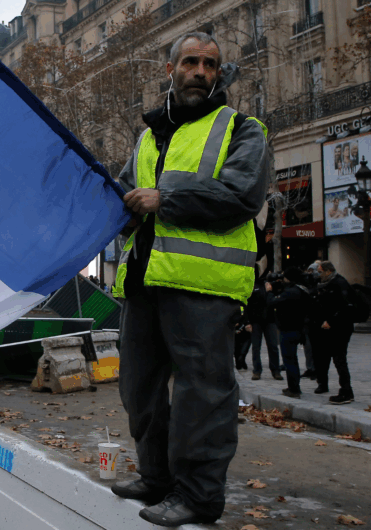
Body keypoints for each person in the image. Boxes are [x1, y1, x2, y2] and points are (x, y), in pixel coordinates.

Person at [108, 33, 270, 526]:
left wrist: (164, 198)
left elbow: (241, 196)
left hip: (205, 287)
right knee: (139, 390)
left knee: (204, 395)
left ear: (218, 73)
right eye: (191, 62)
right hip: (145, 282)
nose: (200, 70)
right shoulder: (146, 137)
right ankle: (157, 478)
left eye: (210, 64)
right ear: (170, 69)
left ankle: (197, 496)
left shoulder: (243, 129)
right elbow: (122, 196)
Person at [309, 261, 356, 404]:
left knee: (339, 359)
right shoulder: (323, 284)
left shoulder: (339, 283)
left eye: (320, 271)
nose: (318, 274)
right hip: (325, 328)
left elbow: (346, 307)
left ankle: (346, 391)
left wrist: (331, 321)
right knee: (322, 357)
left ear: (328, 271)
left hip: (340, 328)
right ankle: (322, 383)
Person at [266, 268, 312, 398]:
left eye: (284, 278)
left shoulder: (292, 292)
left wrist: (269, 292)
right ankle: (293, 386)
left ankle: (294, 389)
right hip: (298, 328)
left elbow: (272, 302)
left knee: (289, 361)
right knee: (293, 360)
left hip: (289, 329)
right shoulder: (302, 289)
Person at [247, 270, 282, 381]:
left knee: (273, 346)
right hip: (256, 321)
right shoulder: (252, 285)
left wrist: (271, 290)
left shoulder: (272, 285)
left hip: (270, 320)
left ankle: (276, 370)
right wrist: (247, 322)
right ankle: (257, 371)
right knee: (256, 347)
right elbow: (247, 305)